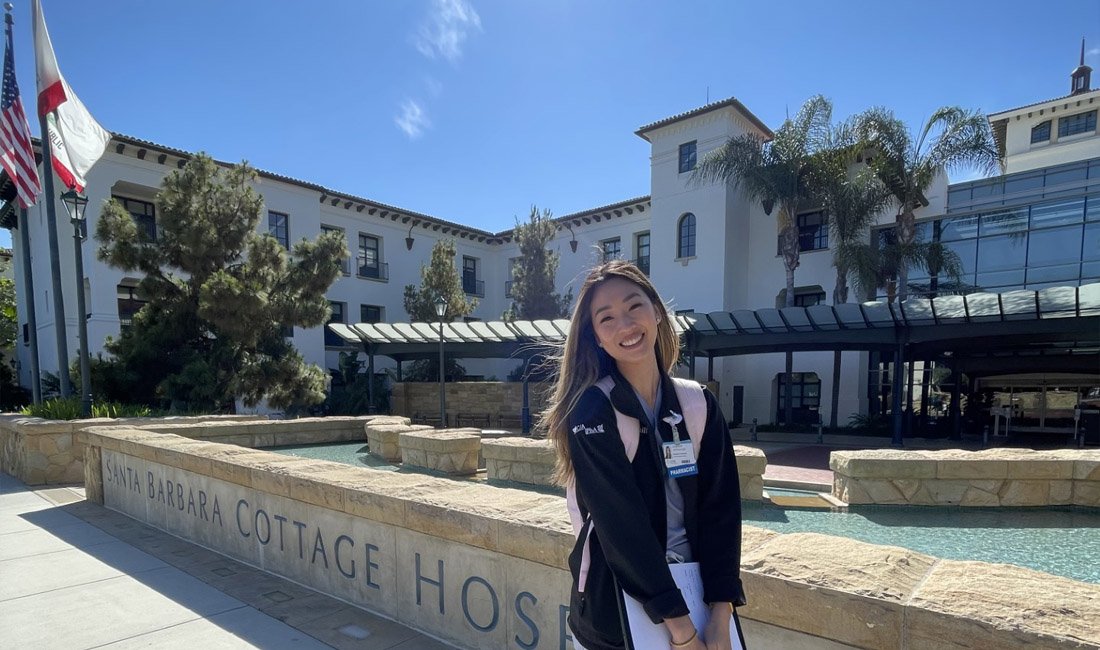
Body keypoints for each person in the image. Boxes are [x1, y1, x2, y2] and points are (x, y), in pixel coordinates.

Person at [542, 260, 745, 650]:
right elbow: (622, 526)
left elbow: (722, 510)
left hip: (698, 599)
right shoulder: (592, 411)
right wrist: (681, 631)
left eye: (635, 306)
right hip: (615, 613)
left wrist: (721, 614)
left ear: (656, 310)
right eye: (607, 318)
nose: (626, 325)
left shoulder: (697, 403)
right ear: (596, 338)